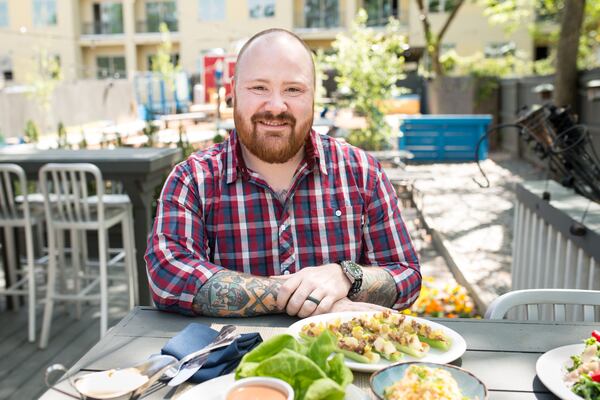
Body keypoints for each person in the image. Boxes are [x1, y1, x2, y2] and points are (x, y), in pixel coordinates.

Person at [145, 28, 421, 318]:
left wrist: (345, 276)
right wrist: (303, 296)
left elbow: (406, 276)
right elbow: (168, 275)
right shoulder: (192, 180)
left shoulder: (362, 173)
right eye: (259, 88)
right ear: (233, 91)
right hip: (236, 361)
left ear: (314, 94)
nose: (276, 106)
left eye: (293, 89)